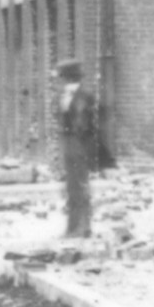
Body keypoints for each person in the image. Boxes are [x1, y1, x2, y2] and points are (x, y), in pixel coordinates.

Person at [57, 59, 96, 239]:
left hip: (80, 144)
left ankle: (84, 227)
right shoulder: (63, 95)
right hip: (68, 143)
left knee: (81, 185)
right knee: (71, 187)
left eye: (63, 77)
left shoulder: (85, 95)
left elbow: (87, 125)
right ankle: (72, 228)